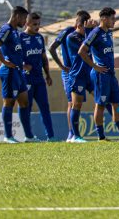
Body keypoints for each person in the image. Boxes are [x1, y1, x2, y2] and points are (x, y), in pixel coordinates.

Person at [77, 7, 119, 141]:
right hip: (100, 75)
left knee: (117, 105)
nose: (115, 21)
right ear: (104, 19)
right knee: (101, 105)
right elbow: (82, 51)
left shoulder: (109, 33)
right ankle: (101, 137)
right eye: (112, 19)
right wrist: (95, 66)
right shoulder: (96, 32)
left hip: (111, 74)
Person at [0, 5, 34, 143]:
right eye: (24, 19)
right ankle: (8, 136)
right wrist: (4, 61)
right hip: (9, 71)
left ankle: (28, 136)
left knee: (24, 101)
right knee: (9, 102)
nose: (25, 22)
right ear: (17, 16)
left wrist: (22, 65)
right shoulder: (7, 29)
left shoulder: (15, 32)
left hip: (18, 71)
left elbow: (13, 52)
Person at [48, 10, 91, 140]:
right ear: (79, 22)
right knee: (71, 102)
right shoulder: (68, 32)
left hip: (82, 71)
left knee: (75, 102)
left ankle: (73, 133)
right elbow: (52, 48)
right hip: (69, 72)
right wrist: (61, 66)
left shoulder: (86, 34)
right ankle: (71, 134)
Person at [20, 12, 55, 141]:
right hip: (26, 79)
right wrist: (23, 65)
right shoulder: (20, 37)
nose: (38, 27)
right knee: (26, 107)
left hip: (39, 79)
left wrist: (48, 75)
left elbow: (44, 57)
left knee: (45, 107)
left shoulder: (40, 38)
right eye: (35, 24)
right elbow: (12, 56)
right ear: (27, 23)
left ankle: (51, 136)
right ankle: (28, 136)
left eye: (39, 24)